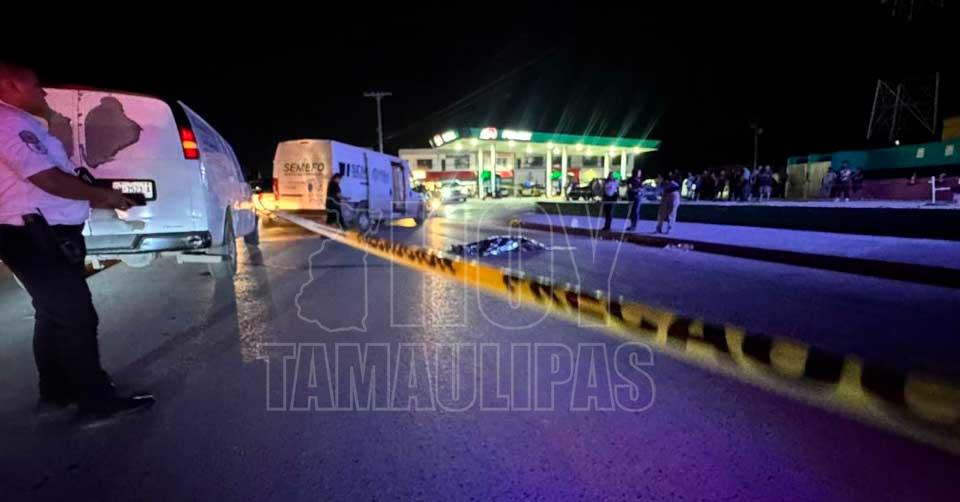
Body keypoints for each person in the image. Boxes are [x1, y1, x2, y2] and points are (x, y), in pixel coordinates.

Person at [0, 62, 155, 422]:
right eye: (35, 85)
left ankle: (57, 392)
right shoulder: (8, 123)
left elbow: (54, 179)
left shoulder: (21, 123)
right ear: (9, 85)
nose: (43, 91)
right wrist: (105, 197)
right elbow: (49, 180)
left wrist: (99, 195)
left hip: (40, 235)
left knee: (53, 314)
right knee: (77, 316)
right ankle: (95, 401)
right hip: (33, 236)